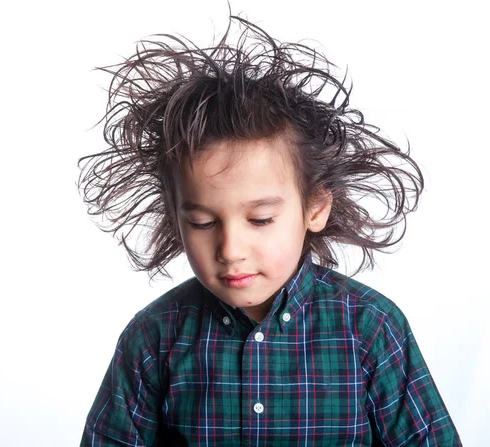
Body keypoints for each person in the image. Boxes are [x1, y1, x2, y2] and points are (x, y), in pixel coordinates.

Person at [76, 14, 462, 446]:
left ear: (314, 207)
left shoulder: (370, 329)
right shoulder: (153, 338)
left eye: (260, 219)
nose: (231, 249)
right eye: (202, 222)